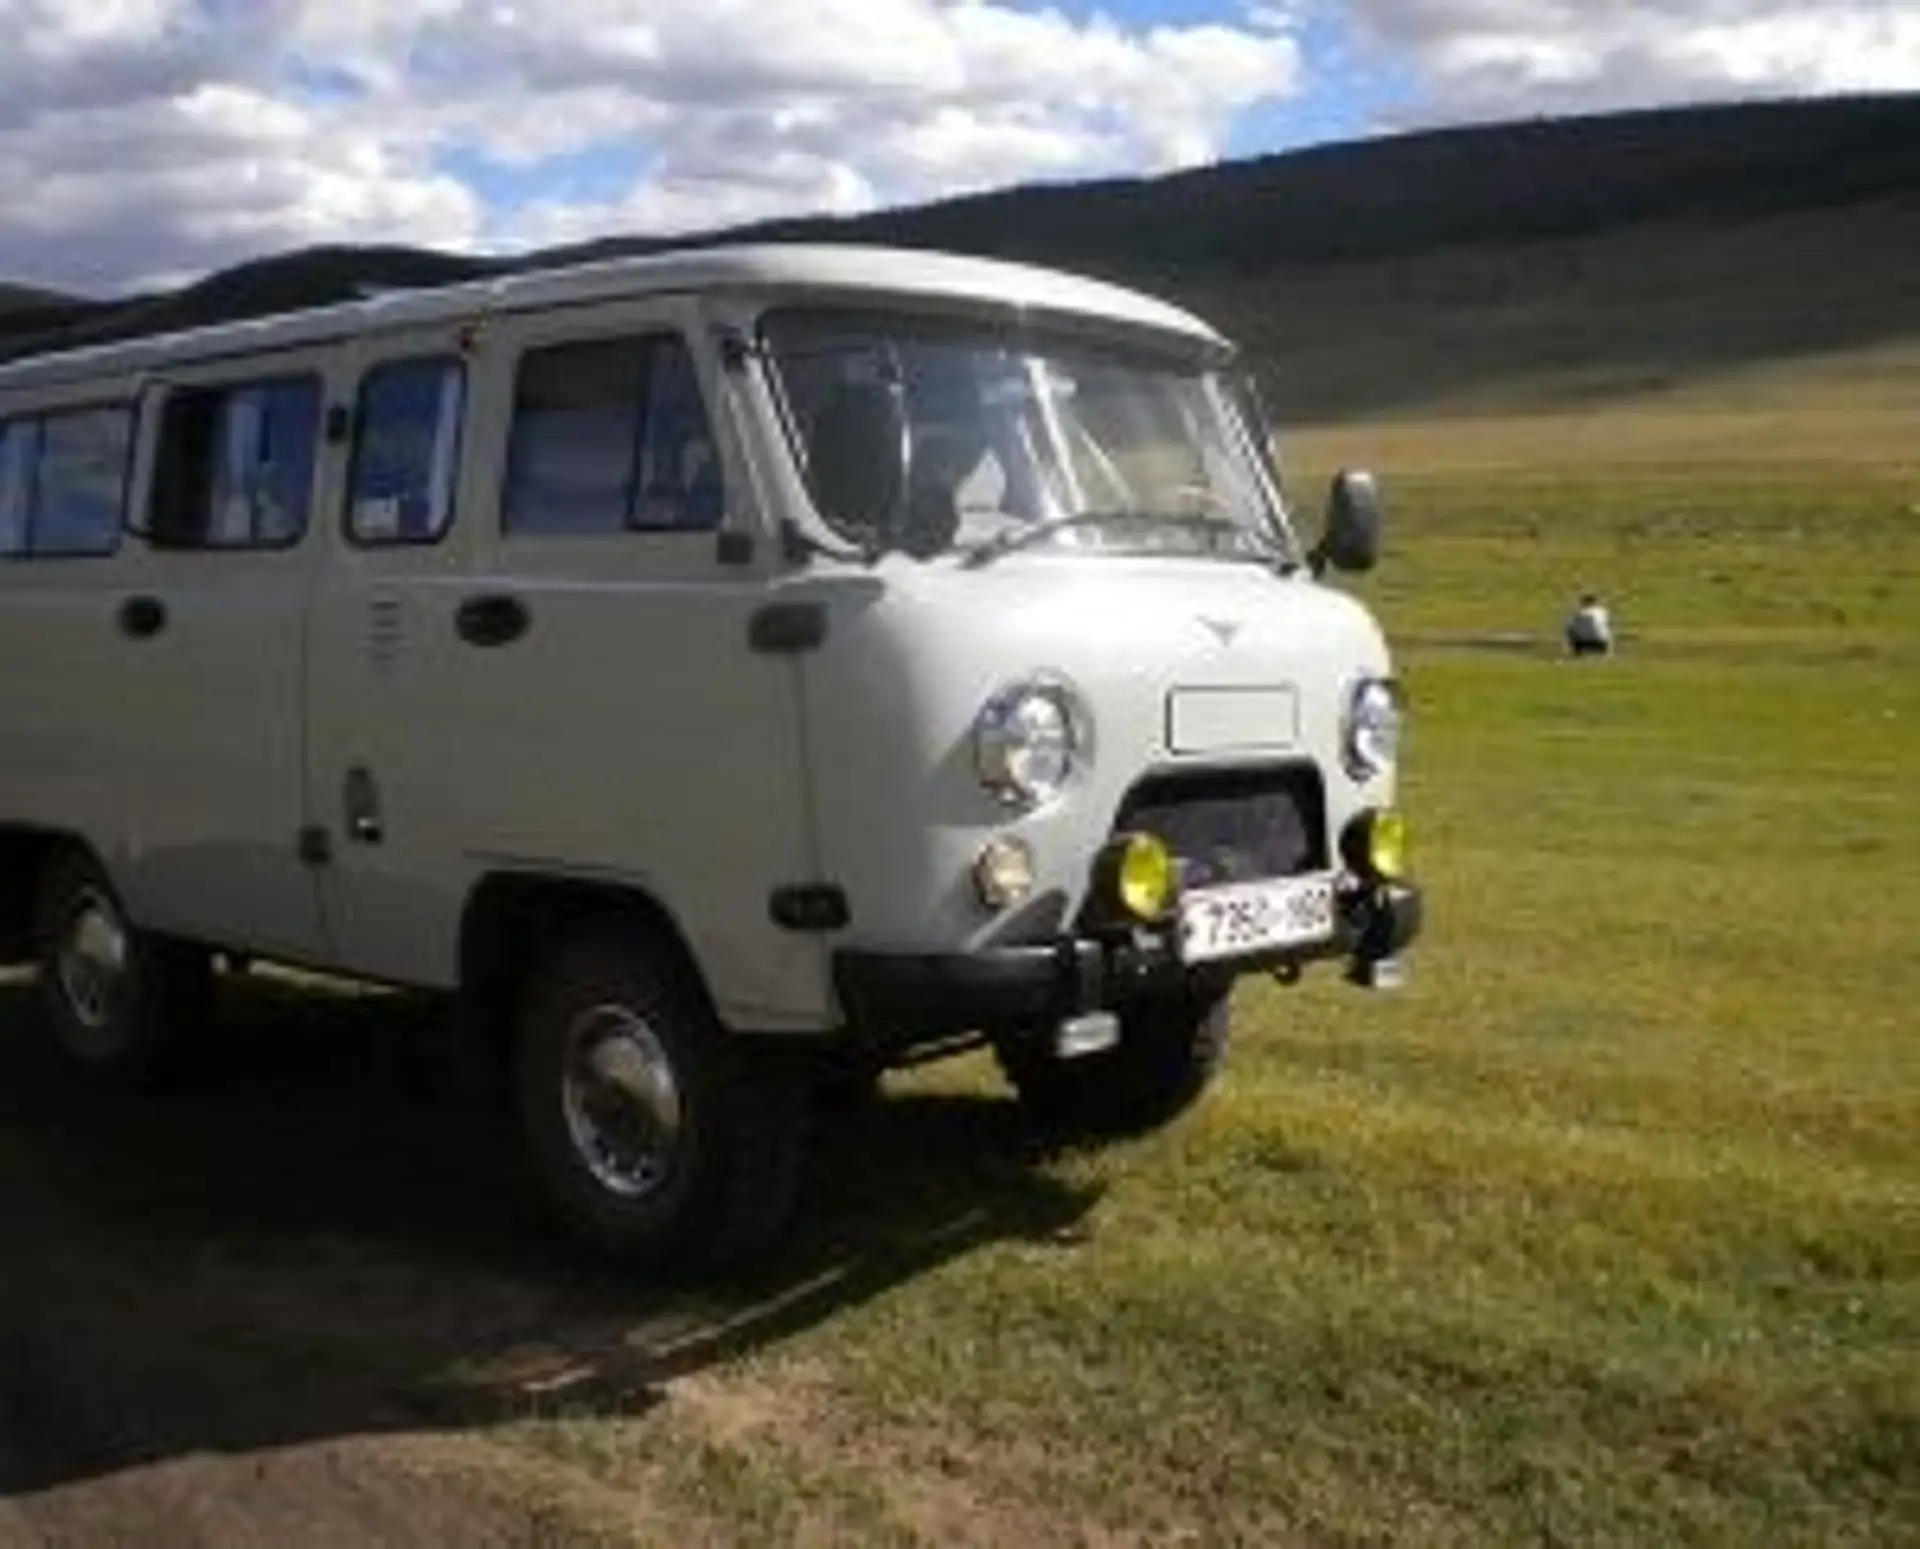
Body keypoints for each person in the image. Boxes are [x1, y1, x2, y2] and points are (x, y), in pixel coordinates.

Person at [1565, 592, 1614, 657]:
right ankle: (1607, 654)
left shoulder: (1577, 613)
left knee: (1571, 628)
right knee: (1607, 628)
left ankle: (1577, 653)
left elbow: (1570, 628)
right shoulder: (1601, 611)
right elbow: (1608, 625)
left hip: (1580, 642)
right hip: (1599, 641)